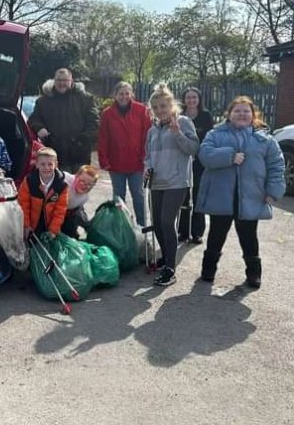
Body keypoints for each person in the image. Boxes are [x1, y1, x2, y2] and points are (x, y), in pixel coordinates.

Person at [196, 96, 285, 290]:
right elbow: (204, 155)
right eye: (237, 111)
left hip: (250, 197)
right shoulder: (215, 134)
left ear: (253, 115)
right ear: (229, 114)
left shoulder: (265, 140)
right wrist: (229, 156)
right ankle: (208, 270)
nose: (242, 114)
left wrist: (273, 191)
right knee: (216, 234)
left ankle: (254, 274)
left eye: (246, 111)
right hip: (221, 196)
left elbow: (276, 166)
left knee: (249, 236)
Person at [144, 85, 199, 287]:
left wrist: (177, 134)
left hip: (177, 182)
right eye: (156, 107)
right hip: (157, 182)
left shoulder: (183, 122)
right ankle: (167, 257)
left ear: (171, 105)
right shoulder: (152, 130)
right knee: (158, 223)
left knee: (167, 222)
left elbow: (194, 149)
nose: (160, 110)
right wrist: (147, 167)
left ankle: (170, 268)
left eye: (163, 106)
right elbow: (148, 155)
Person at [97, 81, 151, 228]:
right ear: (115, 95)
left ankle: (142, 226)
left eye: (127, 93)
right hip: (116, 163)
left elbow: (147, 135)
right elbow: (103, 138)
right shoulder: (107, 113)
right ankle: (122, 226)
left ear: (131, 94)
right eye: (121, 93)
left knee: (139, 195)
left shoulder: (142, 110)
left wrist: (146, 157)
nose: (124, 96)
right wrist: (103, 159)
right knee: (118, 198)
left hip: (137, 163)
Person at [28, 68, 100, 171]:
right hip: (54, 154)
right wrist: (39, 128)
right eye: (59, 80)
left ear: (71, 81)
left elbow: (94, 122)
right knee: (58, 186)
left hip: (79, 155)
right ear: (54, 81)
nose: (62, 83)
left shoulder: (85, 99)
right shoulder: (43, 101)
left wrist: (83, 140)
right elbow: (34, 119)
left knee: (77, 186)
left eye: (65, 80)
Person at [178, 86, 214, 244]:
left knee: (199, 196)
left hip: (200, 162)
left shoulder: (206, 116)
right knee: (183, 197)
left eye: (194, 97)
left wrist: (199, 154)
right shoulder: (179, 117)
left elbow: (210, 139)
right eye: (188, 97)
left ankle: (197, 232)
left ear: (199, 100)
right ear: (184, 100)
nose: (191, 100)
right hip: (183, 161)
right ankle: (183, 231)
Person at [17, 147, 69, 239]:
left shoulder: (62, 185)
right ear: (37, 164)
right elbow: (23, 205)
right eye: (43, 164)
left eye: (50, 164)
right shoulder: (29, 181)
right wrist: (26, 226)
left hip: (49, 226)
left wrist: (53, 230)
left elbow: (60, 210)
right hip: (32, 225)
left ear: (56, 165)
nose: (46, 167)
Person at [62, 164, 100, 238]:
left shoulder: (85, 197)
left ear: (93, 186)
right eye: (82, 181)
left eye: (89, 184)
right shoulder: (65, 178)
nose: (84, 185)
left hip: (68, 212)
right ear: (76, 176)